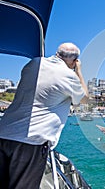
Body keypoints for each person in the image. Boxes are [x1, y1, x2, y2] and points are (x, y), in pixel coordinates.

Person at [0, 42, 88, 189]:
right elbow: (84, 98)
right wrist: (78, 71)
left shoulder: (34, 63)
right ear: (74, 60)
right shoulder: (68, 76)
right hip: (30, 141)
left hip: (4, 133)